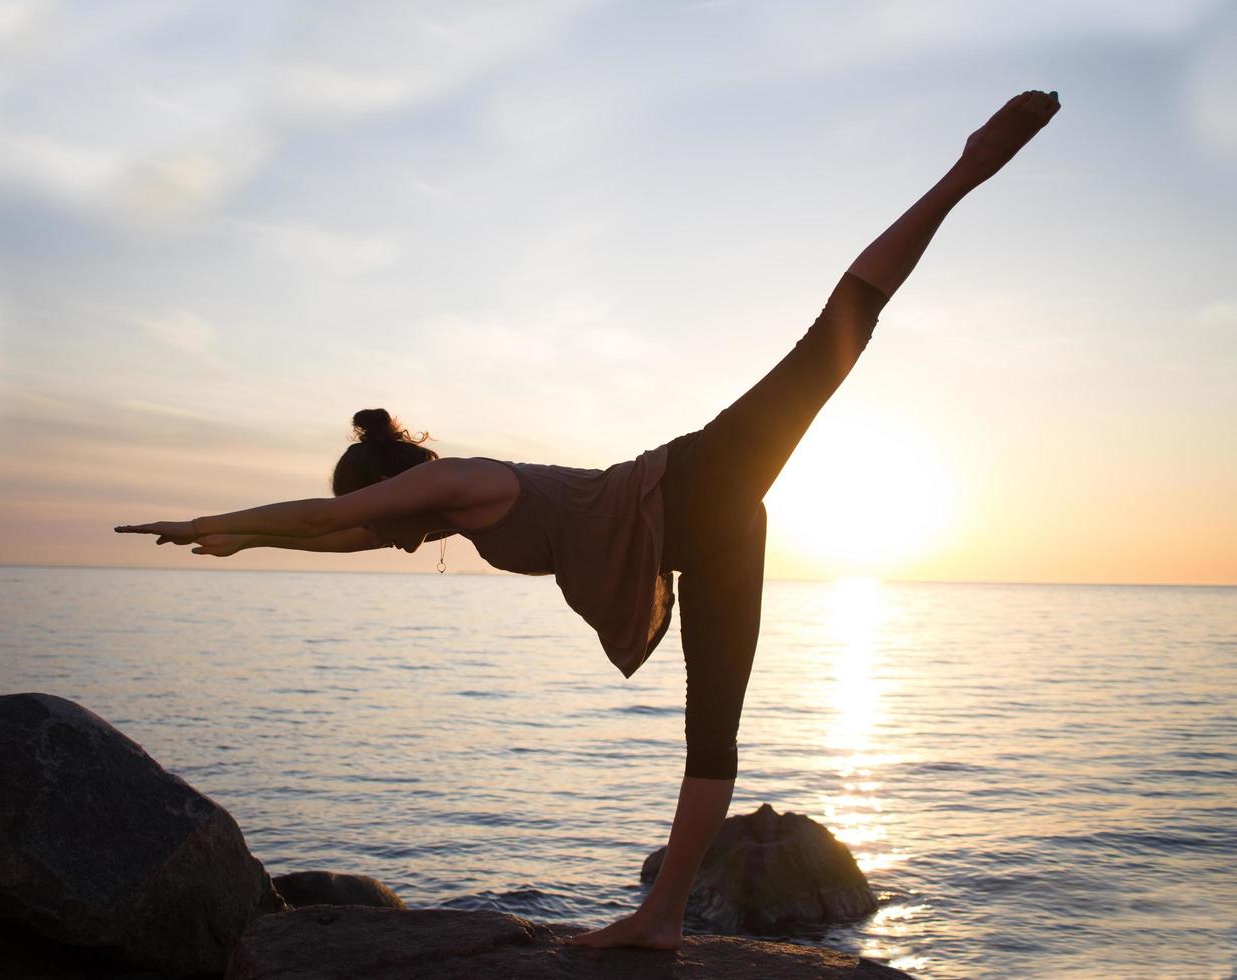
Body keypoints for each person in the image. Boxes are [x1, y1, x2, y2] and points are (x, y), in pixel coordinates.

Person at [117, 90, 1061, 949]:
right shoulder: (454, 513)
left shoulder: (463, 480)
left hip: (691, 485)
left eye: (389, 513)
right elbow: (343, 533)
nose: (392, 540)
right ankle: (660, 921)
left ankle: (968, 166)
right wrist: (241, 539)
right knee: (711, 729)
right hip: (714, 529)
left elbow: (336, 516)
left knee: (834, 337)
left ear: (395, 479)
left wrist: (218, 515)